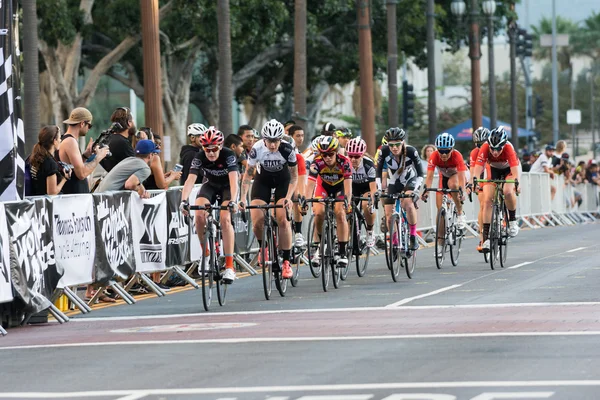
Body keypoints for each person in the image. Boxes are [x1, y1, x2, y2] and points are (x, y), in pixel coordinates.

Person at [239, 119, 298, 280]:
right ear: (263, 139)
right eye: (269, 141)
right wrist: (243, 197)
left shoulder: (287, 149)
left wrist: (288, 197)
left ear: (281, 139)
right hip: (262, 181)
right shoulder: (257, 149)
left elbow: (294, 177)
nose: (273, 145)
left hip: (283, 182)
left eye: (276, 141)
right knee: (257, 220)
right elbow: (248, 174)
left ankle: (286, 261)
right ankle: (263, 247)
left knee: (282, 219)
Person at [180, 127, 239, 284]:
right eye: (207, 149)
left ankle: (229, 267)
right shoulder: (199, 157)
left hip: (227, 188)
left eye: (214, 149)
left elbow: (234, 181)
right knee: (199, 215)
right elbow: (190, 180)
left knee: (225, 219)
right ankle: (206, 254)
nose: (211, 153)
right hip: (210, 185)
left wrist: (233, 200)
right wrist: (184, 201)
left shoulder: (229, 155)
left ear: (220, 147)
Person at [471, 126, 521, 251]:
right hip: (493, 170)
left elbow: (515, 172)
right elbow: (478, 168)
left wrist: (517, 183)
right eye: (493, 148)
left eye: (498, 149)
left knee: (508, 192)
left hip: (509, 170)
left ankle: (513, 221)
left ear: (503, 145)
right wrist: (474, 181)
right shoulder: (485, 147)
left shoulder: (509, 148)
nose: (495, 152)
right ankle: (486, 239)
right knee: (487, 200)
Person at [305, 136, 353, 267]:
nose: (327, 158)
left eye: (330, 154)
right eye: (324, 154)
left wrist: (347, 202)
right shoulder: (317, 163)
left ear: (336, 152)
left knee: (340, 212)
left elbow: (348, 188)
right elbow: (310, 185)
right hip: (324, 186)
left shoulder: (345, 162)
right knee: (319, 212)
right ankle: (322, 245)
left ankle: (342, 252)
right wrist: (306, 200)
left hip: (340, 187)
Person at [377, 127, 424, 251]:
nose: (394, 148)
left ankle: (413, 236)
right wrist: (379, 190)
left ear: (403, 142)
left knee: (408, 204)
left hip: (410, 179)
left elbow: (420, 174)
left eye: (397, 144)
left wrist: (416, 190)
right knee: (388, 214)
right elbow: (379, 174)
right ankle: (394, 241)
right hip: (394, 182)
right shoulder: (384, 151)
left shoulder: (411, 151)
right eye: (391, 145)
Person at [59, 107, 109, 194]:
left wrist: (86, 155)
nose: (89, 129)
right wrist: (99, 157)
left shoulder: (65, 139)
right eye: (89, 125)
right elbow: (81, 173)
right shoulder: (70, 142)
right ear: (82, 124)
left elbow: (73, 167)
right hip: (73, 199)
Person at [346, 137, 377, 247]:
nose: (353, 159)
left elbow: (373, 189)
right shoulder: (345, 163)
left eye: (357, 156)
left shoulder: (369, 165)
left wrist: (372, 202)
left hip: (366, 187)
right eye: (350, 156)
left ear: (362, 155)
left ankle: (370, 230)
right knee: (346, 207)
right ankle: (348, 235)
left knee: (366, 204)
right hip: (352, 186)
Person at [28, 125, 71, 196]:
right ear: (54, 141)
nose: (60, 140)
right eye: (59, 138)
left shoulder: (37, 157)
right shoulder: (50, 163)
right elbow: (52, 193)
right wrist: (65, 179)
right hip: (49, 205)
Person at [469, 127, 491, 252]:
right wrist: (473, 183)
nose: (481, 146)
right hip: (481, 175)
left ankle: (503, 216)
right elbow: (473, 172)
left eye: (483, 143)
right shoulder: (474, 153)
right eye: (478, 144)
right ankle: (483, 236)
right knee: (483, 204)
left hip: (492, 173)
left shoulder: (492, 149)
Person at [100, 107, 137, 173]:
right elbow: (136, 168)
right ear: (129, 123)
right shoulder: (123, 143)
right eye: (133, 120)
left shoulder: (108, 138)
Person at [288, 125, 307, 246]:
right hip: (279, 179)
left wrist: (302, 198)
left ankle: (298, 232)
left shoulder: (298, 155)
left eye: (302, 136)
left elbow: (300, 178)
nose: (300, 139)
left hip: (293, 179)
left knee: (296, 196)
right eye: (297, 136)